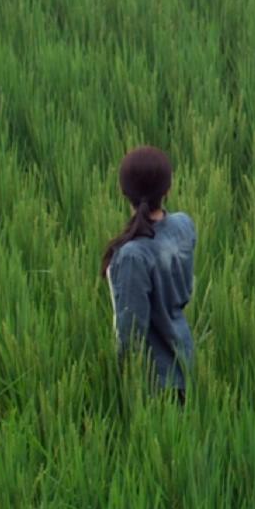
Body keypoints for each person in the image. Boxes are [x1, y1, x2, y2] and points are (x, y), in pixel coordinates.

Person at [103, 145, 196, 403]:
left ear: (123, 191)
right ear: (168, 189)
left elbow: (131, 330)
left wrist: (123, 377)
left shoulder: (133, 255)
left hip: (155, 380)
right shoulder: (184, 225)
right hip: (185, 356)